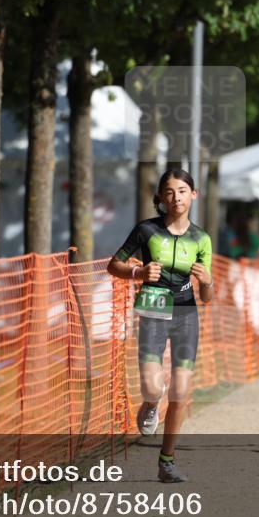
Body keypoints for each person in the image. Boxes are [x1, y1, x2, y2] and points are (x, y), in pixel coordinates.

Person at [107, 169, 212, 483]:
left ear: (193, 194)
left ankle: (167, 460)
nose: (176, 197)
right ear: (161, 198)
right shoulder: (146, 230)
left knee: (181, 390)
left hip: (186, 315)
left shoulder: (201, 238)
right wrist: (137, 274)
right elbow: (115, 264)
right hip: (153, 311)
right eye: (169, 192)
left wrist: (207, 281)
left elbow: (208, 296)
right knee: (154, 387)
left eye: (182, 191)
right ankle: (150, 403)